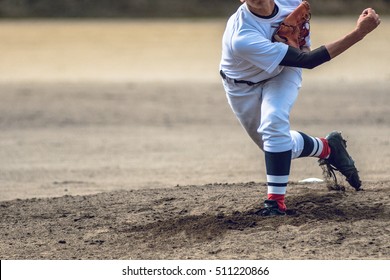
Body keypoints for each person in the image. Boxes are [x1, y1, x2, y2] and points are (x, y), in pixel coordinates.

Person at [219, 0, 381, 216]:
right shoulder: (242, 35)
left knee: (274, 123)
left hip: (285, 71)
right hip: (242, 87)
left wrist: (301, 46)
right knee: (274, 145)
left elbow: (304, 51)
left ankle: (275, 203)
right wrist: (359, 33)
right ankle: (328, 148)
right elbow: (309, 60)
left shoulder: (291, 2)